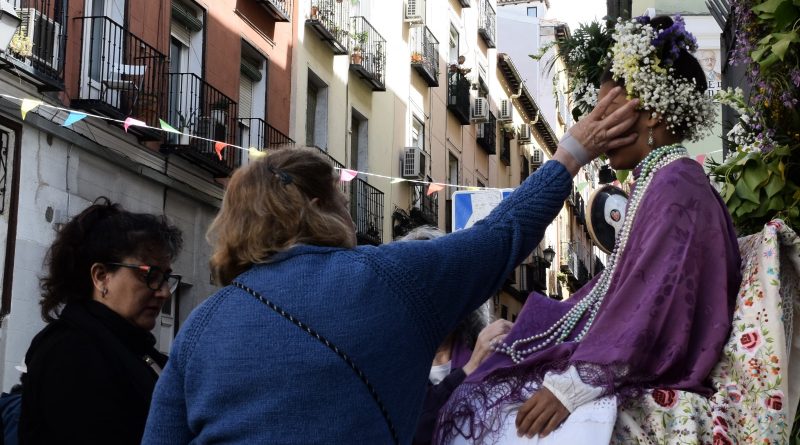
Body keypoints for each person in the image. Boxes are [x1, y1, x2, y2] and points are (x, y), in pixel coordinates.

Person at [142, 85, 641, 444]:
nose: (348, 208)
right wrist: (573, 152)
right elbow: (500, 236)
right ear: (314, 207)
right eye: (339, 196)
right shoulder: (389, 279)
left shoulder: (201, 325)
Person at [433, 16, 742, 445]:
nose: (594, 124)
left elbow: (655, 298)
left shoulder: (676, 185)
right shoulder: (662, 182)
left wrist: (576, 383)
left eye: (606, 111)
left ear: (649, 114)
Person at [19, 198, 183, 445]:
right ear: (101, 277)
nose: (164, 292)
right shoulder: (71, 350)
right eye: (150, 275)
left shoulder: (130, 346)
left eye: (166, 278)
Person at [397, 227, 514, 445]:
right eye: (418, 287)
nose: (431, 299)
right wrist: (468, 370)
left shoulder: (491, 357)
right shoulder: (391, 369)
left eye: (440, 286)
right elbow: (413, 431)